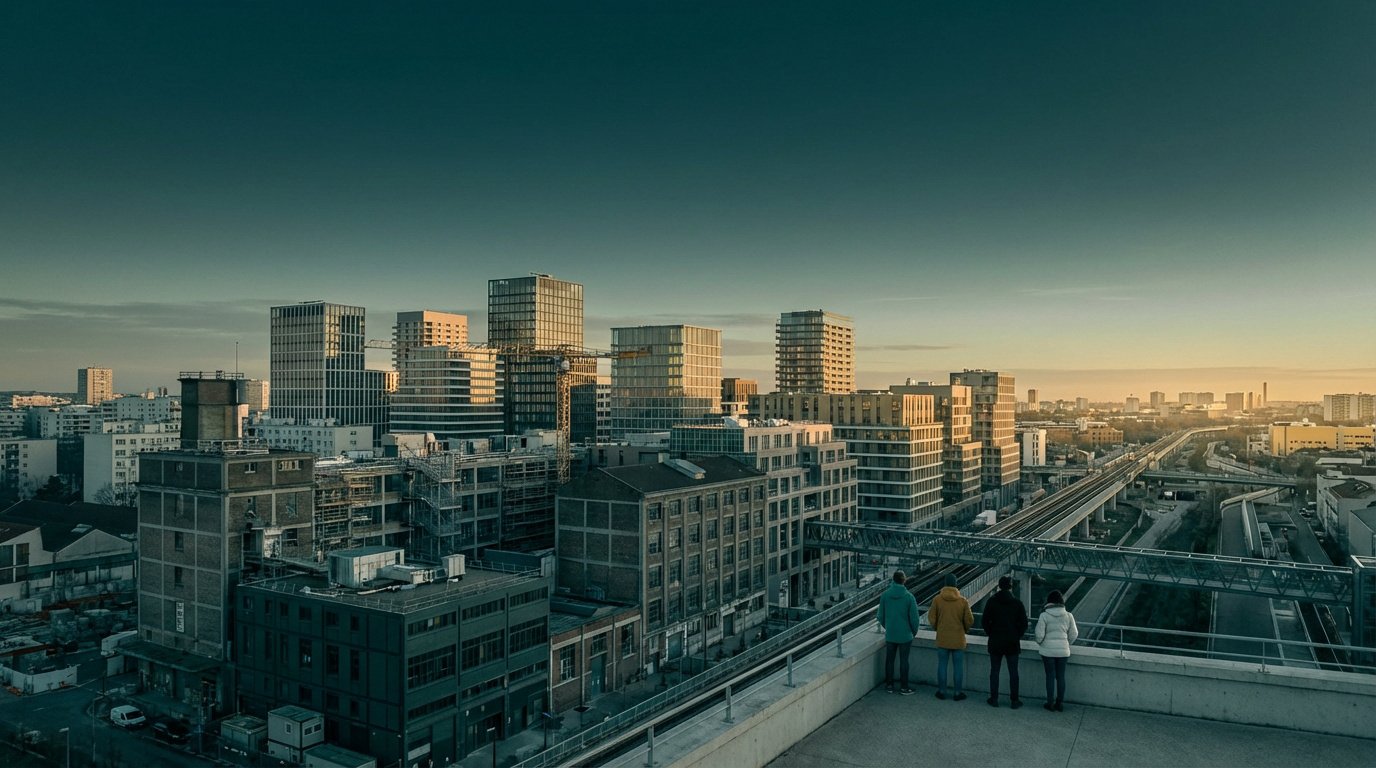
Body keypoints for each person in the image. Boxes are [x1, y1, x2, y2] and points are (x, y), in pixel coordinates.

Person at [981, 575, 1029, 708]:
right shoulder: (1017, 603)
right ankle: (1014, 700)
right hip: (1012, 642)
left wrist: (991, 633)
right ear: (1011, 587)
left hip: (995, 641)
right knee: (1013, 672)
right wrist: (1016, 635)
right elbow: (1024, 624)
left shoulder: (992, 601)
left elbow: (984, 621)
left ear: (999, 586)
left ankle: (994, 699)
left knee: (994, 671)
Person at [927, 573, 973, 701]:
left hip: (942, 638)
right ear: (956, 585)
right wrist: (964, 629)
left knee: (942, 665)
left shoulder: (937, 599)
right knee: (958, 666)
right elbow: (969, 620)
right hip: (958, 639)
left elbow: (931, 618)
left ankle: (942, 691)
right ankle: (957, 693)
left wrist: (937, 628)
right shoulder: (963, 601)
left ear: (945, 584)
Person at [1034, 590, 1079, 712]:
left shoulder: (1044, 615)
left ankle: (1050, 703)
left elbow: (1039, 635)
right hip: (1063, 651)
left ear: (1049, 601)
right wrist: (1066, 643)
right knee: (1061, 677)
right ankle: (1060, 703)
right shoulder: (1069, 616)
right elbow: (1074, 634)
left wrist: (1043, 643)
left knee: (1050, 676)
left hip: (1047, 652)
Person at [876, 570, 920, 695]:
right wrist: (913, 632)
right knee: (904, 661)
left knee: (889, 660)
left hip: (891, 634)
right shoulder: (909, 597)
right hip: (905, 635)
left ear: (893, 580)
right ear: (904, 580)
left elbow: (880, 616)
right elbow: (914, 619)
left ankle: (889, 685)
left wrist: (888, 627)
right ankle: (904, 687)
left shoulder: (885, 595)